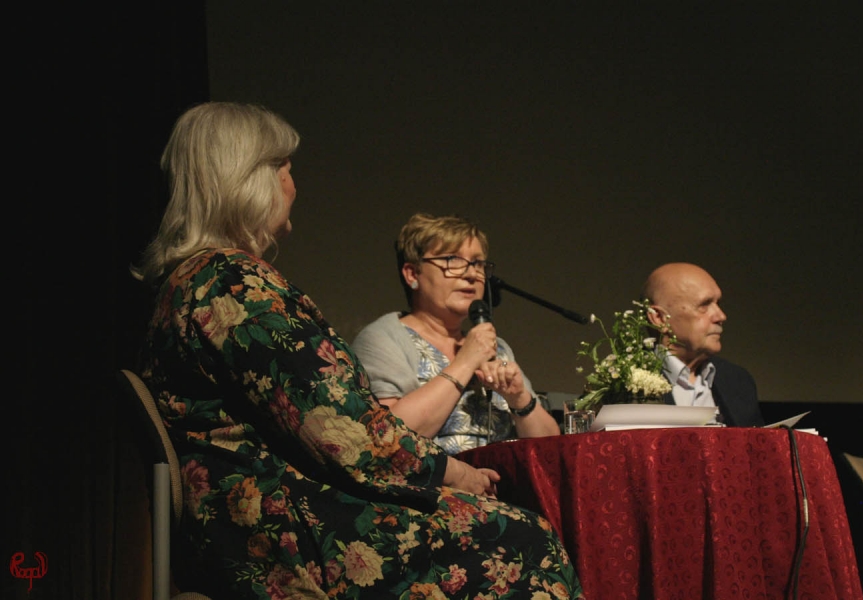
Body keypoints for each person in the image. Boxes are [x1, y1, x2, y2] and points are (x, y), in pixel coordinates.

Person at [131, 102, 583, 599]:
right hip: (283, 536)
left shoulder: (191, 282)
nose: (292, 185)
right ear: (252, 179)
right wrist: (454, 473)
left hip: (246, 524)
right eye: (286, 169)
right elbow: (344, 432)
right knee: (526, 540)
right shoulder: (237, 286)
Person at [351, 213, 561, 455]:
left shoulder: (494, 346)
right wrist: (465, 361)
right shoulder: (384, 338)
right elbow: (387, 438)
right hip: (432, 480)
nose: (471, 274)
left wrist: (520, 398)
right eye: (452, 259)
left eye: (478, 263)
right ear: (412, 274)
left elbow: (551, 448)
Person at [641, 262, 766, 427]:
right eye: (704, 305)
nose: (721, 316)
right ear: (659, 318)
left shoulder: (738, 381)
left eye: (718, 304)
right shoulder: (623, 382)